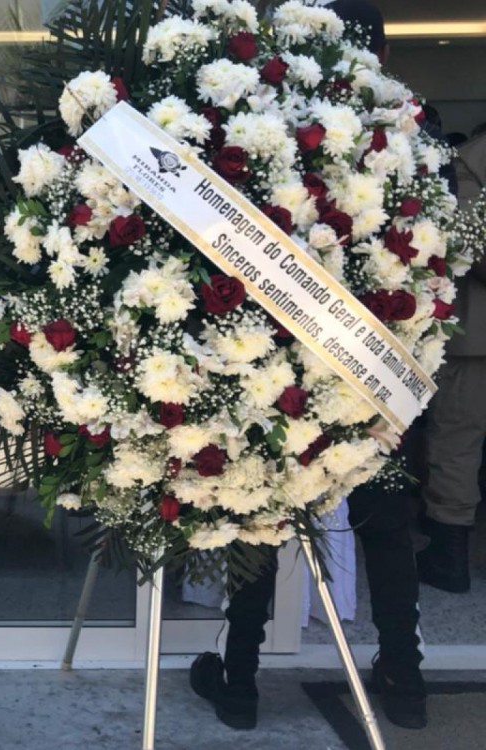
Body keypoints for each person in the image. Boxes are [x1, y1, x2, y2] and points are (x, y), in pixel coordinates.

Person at [191, 0, 429, 731]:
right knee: (386, 520)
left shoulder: (277, 138)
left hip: (280, 368)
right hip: (380, 366)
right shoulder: (401, 148)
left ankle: (240, 683)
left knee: (262, 507)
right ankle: (406, 678)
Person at [417, 129, 486, 593]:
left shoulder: (469, 162)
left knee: (457, 446)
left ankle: (450, 561)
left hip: (475, 337)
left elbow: (467, 250)